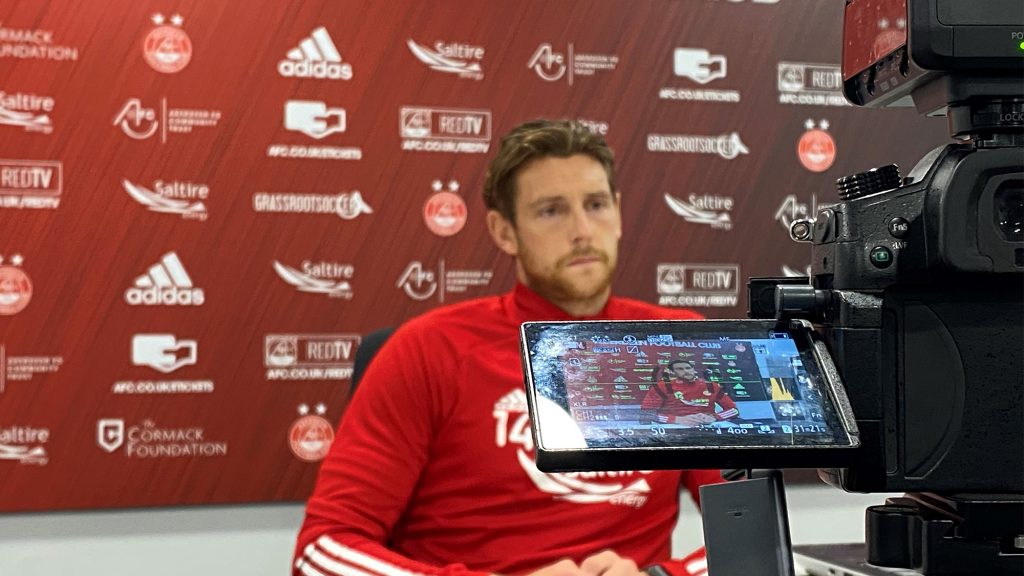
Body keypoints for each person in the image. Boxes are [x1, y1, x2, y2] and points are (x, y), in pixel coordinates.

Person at [294, 119, 723, 576]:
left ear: (618, 213)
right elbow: (321, 552)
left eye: (596, 205)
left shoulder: (679, 346)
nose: (582, 230)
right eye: (551, 211)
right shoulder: (429, 350)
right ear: (503, 231)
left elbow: (761, 527)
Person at [639, 360, 739, 427]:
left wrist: (714, 417)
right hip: (674, 428)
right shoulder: (661, 387)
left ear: (693, 370)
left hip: (707, 427)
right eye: (680, 369)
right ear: (671, 372)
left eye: (688, 368)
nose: (686, 371)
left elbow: (733, 410)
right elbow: (646, 415)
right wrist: (676, 419)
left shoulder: (711, 386)